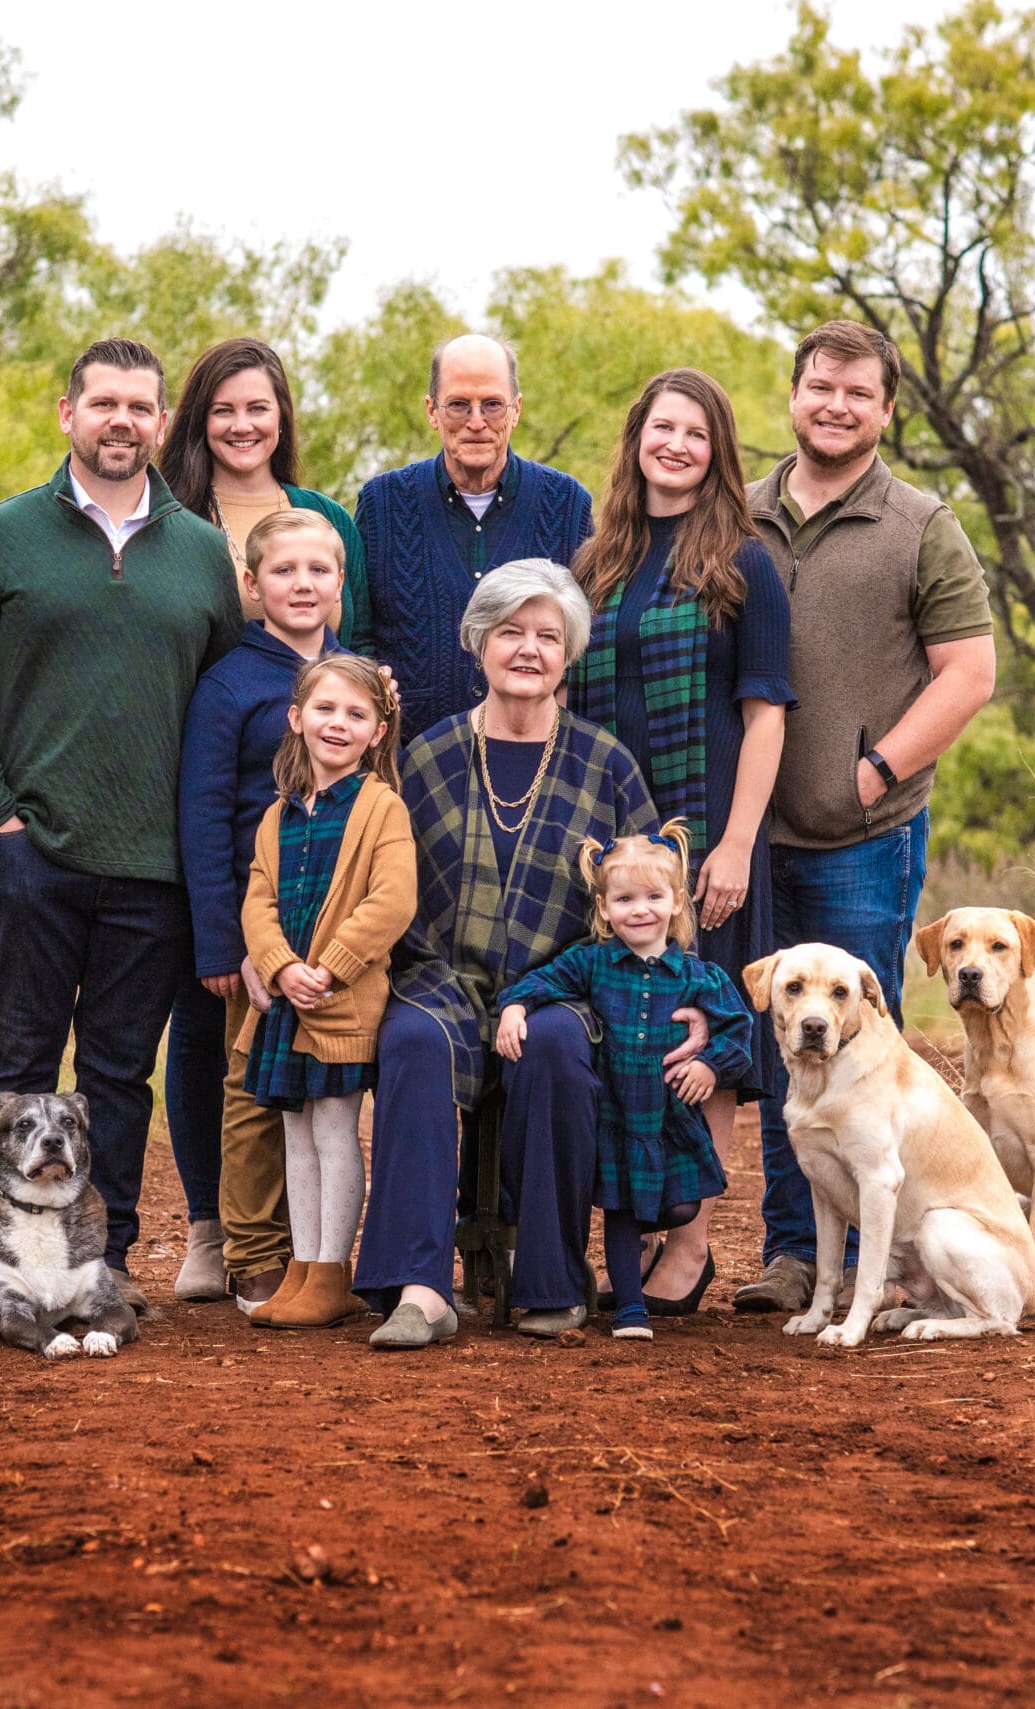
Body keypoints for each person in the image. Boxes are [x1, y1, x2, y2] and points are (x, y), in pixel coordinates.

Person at [0, 336, 244, 1311]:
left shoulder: (199, 554)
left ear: (158, 423)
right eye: (104, 403)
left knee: (114, 1077)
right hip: (31, 859)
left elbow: (225, 698)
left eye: (141, 408)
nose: (122, 422)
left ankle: (101, 1267)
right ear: (68, 413)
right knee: (15, 1070)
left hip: (154, 871)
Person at [355, 558, 707, 1351]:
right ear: (479, 643)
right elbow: (389, 881)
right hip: (438, 975)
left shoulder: (605, 762)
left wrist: (675, 991)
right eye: (510, 632)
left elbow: (650, 889)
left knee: (553, 1045)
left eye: (548, 636)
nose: (528, 649)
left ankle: (551, 1279)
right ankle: (421, 1285)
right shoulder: (430, 757)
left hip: (566, 986)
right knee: (410, 1040)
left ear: (569, 653)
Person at [729, 320, 999, 1317]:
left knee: (854, 1044)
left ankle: (882, 1265)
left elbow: (969, 673)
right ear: (793, 396)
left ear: (886, 410)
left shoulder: (922, 525)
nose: (835, 405)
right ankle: (797, 1256)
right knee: (779, 1042)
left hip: (859, 837)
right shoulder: (738, 509)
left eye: (857, 392)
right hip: (751, 835)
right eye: (818, 388)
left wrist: (876, 768)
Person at [564, 367, 792, 1315]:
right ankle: (622, 1228)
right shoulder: (596, 561)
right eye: (663, 428)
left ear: (718, 450)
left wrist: (735, 843)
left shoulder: (745, 561)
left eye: (697, 434)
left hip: (707, 842)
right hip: (611, 847)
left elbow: (766, 710)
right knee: (622, 1030)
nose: (677, 446)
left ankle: (692, 1240)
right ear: (637, 438)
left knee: (707, 1035)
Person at [159, 341, 367, 1298]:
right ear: (252, 583)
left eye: (319, 572)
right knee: (246, 1084)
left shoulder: (346, 685)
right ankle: (239, 1249)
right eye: (223, 409)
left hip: (335, 917)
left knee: (324, 1089)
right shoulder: (230, 678)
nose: (304, 583)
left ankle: (315, 1256)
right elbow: (205, 808)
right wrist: (219, 933)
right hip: (251, 914)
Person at [495, 823, 753, 1343]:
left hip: (669, 1120)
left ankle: (661, 1261)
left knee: (676, 1205)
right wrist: (515, 1008)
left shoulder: (700, 977)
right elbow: (538, 981)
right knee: (621, 1213)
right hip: (616, 1116)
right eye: (625, 899)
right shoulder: (592, 963)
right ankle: (630, 1309)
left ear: (678, 903)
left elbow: (738, 1032)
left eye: (654, 897)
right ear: (604, 910)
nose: (640, 910)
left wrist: (709, 1066)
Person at [236, 655, 414, 1330]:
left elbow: (391, 901)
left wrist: (330, 967)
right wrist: (280, 966)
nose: (338, 723)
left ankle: (333, 1270)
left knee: (336, 1129)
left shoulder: (380, 808)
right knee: (295, 1132)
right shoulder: (278, 815)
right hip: (288, 1001)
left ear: (376, 732)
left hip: (341, 1000)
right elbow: (257, 900)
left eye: (356, 715)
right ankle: (303, 1268)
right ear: (297, 718)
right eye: (325, 709)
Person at [350, 334, 594, 734]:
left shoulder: (567, 505)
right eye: (459, 405)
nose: (476, 422)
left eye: (492, 405)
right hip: (408, 760)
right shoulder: (382, 504)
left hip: (533, 760)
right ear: (432, 411)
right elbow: (358, 635)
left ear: (516, 410)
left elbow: (587, 642)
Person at [160, 336, 366, 629]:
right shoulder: (169, 520)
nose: (242, 426)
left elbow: (361, 641)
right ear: (201, 422)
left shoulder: (331, 518)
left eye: (258, 408)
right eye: (223, 410)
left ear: (281, 416)